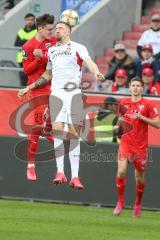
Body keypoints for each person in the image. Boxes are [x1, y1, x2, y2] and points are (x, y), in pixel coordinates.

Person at [18, 21, 104, 189]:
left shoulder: (78, 47)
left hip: (74, 93)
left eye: (60, 28)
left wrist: (96, 72)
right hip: (56, 93)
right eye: (56, 28)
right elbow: (47, 74)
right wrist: (29, 87)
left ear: (68, 32)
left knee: (73, 134)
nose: (57, 30)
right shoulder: (51, 51)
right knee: (57, 129)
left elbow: (89, 62)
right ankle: (60, 172)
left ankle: (75, 176)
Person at [113, 76, 160, 217]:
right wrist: (117, 127)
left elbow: (157, 124)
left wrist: (142, 117)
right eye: (133, 85)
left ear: (142, 88)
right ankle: (120, 202)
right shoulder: (123, 103)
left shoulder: (148, 104)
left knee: (139, 178)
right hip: (126, 143)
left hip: (140, 147)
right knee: (121, 171)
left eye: (138, 85)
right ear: (129, 88)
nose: (135, 88)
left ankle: (138, 204)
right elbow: (120, 121)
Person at [20, 14, 57, 181]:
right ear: (41, 28)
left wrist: (43, 57)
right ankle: (30, 165)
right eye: (49, 29)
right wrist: (37, 59)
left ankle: (47, 130)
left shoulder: (53, 42)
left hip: (53, 86)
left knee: (55, 115)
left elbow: (56, 60)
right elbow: (27, 70)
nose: (52, 31)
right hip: (37, 90)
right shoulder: (28, 46)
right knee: (36, 126)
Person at [14, 13, 37, 86]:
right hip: (22, 59)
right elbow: (16, 44)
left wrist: (23, 41)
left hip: (33, 59)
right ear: (25, 20)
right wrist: (29, 41)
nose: (30, 21)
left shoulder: (37, 31)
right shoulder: (20, 31)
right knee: (23, 80)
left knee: (32, 79)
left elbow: (36, 44)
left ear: (34, 21)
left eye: (32, 20)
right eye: (28, 20)